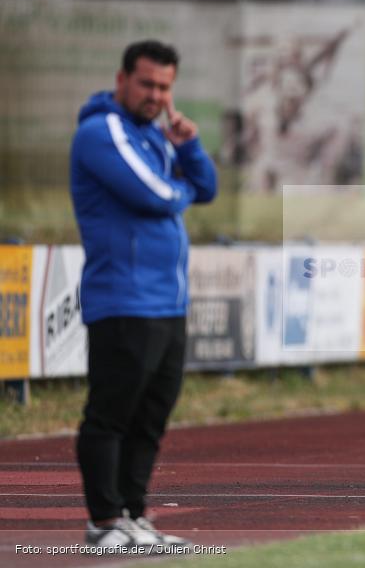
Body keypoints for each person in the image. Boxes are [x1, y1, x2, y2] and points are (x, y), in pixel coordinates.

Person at [70, 40, 217, 550]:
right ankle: (104, 520)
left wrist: (189, 145)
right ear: (122, 80)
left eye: (164, 87)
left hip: (168, 302)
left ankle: (134, 516)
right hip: (123, 298)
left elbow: (207, 187)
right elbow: (155, 195)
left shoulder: (155, 136)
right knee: (111, 414)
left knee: (151, 418)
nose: (155, 95)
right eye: (147, 83)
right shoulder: (101, 130)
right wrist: (179, 193)